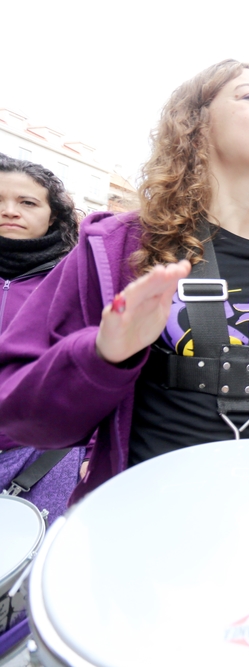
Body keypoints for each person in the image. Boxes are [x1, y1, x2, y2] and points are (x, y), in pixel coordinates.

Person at [0, 61, 249, 505]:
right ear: (195, 125)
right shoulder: (116, 246)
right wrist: (103, 354)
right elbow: (20, 413)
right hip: (144, 527)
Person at [0, 156, 83, 655]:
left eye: (27, 202)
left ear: (53, 214)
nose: (10, 211)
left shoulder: (74, 282)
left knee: (23, 581)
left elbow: (90, 370)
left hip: (41, 456)